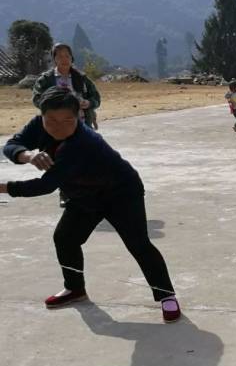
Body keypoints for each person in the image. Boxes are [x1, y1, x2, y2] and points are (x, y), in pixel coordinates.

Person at [1, 87, 181, 322]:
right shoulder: (38, 124)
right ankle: (75, 289)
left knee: (138, 244)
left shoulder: (82, 143)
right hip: (84, 195)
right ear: (41, 116)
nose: (59, 126)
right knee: (65, 238)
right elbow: (12, 145)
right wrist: (27, 155)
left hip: (121, 193)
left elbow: (44, 186)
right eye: (51, 120)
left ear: (79, 117)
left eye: (68, 120)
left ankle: (167, 296)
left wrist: (2, 187)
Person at [33, 43, 101, 130]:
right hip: (55, 127)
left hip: (82, 125)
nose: (64, 59)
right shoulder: (46, 79)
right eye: (60, 56)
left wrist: (88, 103)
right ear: (54, 59)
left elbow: (96, 98)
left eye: (67, 56)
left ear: (71, 58)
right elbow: (37, 99)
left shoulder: (82, 78)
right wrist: (55, 106)